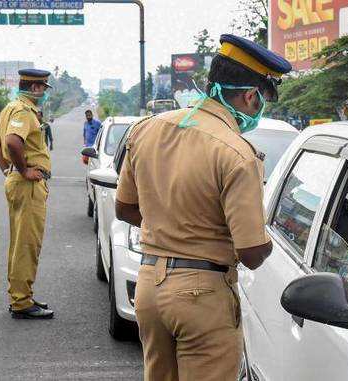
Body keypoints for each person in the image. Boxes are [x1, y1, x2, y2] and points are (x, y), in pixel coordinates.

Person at [115, 34, 291, 381]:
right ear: (251, 96)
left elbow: (125, 209)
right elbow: (252, 251)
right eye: (260, 102)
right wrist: (270, 235)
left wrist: (173, 229)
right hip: (201, 296)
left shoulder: (147, 129)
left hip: (149, 285)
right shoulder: (238, 153)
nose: (257, 111)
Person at [0, 69, 54, 319]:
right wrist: (23, 170)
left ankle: (20, 295)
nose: (44, 94)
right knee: (27, 243)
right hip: (27, 185)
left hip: (18, 181)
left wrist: (8, 170)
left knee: (20, 243)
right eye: (43, 89)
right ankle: (21, 302)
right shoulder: (23, 112)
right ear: (36, 88)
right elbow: (12, 143)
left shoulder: (9, 108)